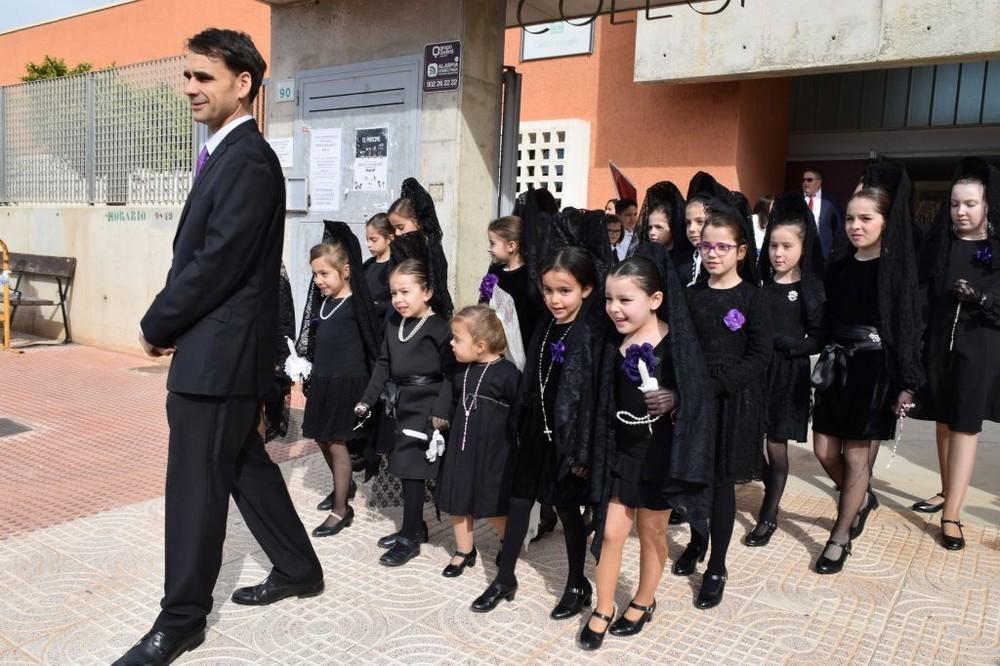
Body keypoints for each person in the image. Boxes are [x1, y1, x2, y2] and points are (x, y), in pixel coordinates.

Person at [118, 29, 322, 666]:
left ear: (244, 84)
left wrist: (157, 325)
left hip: (217, 360)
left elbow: (215, 264)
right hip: (221, 355)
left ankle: (180, 621)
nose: (189, 88)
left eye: (204, 77)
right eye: (187, 76)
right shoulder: (226, 154)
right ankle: (297, 567)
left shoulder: (249, 161)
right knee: (241, 466)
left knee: (195, 490)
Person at [471, 224, 610, 618]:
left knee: (567, 511)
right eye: (548, 290)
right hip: (536, 428)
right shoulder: (547, 325)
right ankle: (505, 576)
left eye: (564, 291)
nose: (554, 299)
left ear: (586, 289)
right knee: (518, 501)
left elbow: (596, 398)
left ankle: (575, 583)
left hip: (569, 440)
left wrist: (582, 449)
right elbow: (533, 374)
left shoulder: (593, 334)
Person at [579, 252, 713, 650]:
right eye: (608, 300)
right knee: (610, 531)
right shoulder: (610, 343)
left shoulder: (677, 344)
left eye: (625, 300)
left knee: (652, 531)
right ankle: (603, 608)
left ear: (655, 300)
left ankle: (643, 599)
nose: (614, 309)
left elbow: (700, 392)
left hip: (660, 455)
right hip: (619, 451)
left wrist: (676, 398)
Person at [811, 167, 923, 574]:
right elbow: (825, 318)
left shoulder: (896, 269)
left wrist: (908, 383)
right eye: (851, 219)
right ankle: (859, 497)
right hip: (837, 364)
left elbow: (908, 325)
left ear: (886, 223)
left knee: (858, 457)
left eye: (866, 219)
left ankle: (840, 535)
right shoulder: (839, 263)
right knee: (824, 450)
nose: (856, 226)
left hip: (874, 368)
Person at [673, 199, 771, 609]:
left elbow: (760, 354)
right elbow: (681, 346)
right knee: (695, 476)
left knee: (722, 484)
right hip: (697, 400)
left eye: (722, 247)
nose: (713, 254)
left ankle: (717, 565)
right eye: (706, 247)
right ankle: (697, 539)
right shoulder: (691, 295)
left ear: (741, 251)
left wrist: (718, 384)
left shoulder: (753, 298)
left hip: (733, 401)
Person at [911, 158, 1000, 551]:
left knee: (965, 424)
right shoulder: (941, 243)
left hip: (979, 345)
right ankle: (948, 490)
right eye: (954, 204)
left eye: (970, 204)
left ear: (987, 205)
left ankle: (953, 515)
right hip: (939, 344)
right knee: (944, 420)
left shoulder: (996, 248)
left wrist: (982, 298)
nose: (960, 212)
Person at [354, 258, 455, 567]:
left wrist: (441, 410)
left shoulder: (439, 327)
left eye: (405, 292)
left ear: (426, 292)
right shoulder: (394, 323)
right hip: (399, 405)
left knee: (413, 472)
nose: (398, 299)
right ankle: (415, 527)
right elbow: (384, 362)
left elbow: (451, 373)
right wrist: (367, 400)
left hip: (427, 406)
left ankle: (410, 537)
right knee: (402, 468)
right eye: (394, 293)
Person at [745, 193, 825, 547]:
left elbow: (820, 336)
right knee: (752, 440)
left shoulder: (808, 289)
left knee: (776, 445)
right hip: (758, 373)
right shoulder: (760, 288)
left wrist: (794, 345)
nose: (779, 253)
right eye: (774, 246)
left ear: (803, 248)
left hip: (788, 375)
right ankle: (766, 484)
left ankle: (769, 514)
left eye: (787, 246)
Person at [296, 223, 382, 537]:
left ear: (345, 271)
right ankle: (340, 487)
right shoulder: (325, 302)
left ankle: (341, 509)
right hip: (323, 379)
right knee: (321, 437)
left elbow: (373, 344)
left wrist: (372, 391)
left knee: (336, 442)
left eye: (324, 274)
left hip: (347, 382)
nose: (318, 281)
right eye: (315, 275)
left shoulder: (356, 303)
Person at [436, 305, 520, 577]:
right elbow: (450, 400)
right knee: (457, 502)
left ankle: (508, 543)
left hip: (493, 453)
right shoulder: (461, 372)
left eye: (457, 339)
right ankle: (464, 551)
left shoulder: (507, 374)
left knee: (493, 505)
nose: (451, 343)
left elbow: (520, 414)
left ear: (481, 345)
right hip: (461, 449)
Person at [481, 214, 544, 357]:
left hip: (522, 346)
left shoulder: (528, 276)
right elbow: (484, 302)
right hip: (497, 344)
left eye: (493, 243)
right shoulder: (494, 273)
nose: (489, 249)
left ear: (511, 246)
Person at [637, 181, 691, 276]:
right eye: (650, 227)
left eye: (659, 227)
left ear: (672, 226)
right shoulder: (644, 257)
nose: (652, 232)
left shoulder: (688, 260)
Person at [803, 167, 843, 259]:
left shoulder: (830, 200)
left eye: (809, 180)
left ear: (818, 182)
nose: (805, 182)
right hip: (801, 250)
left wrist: (835, 248)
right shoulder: (798, 199)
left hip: (824, 251)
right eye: (804, 180)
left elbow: (839, 226)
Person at [363, 212, 394, 320]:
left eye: (373, 240)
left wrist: (375, 306)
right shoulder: (367, 266)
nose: (369, 244)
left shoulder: (395, 267)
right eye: (367, 239)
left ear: (389, 238)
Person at [614, 198, 639, 263]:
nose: (633, 219)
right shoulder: (614, 237)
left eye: (635, 214)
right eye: (628, 215)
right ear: (617, 216)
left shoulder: (639, 235)